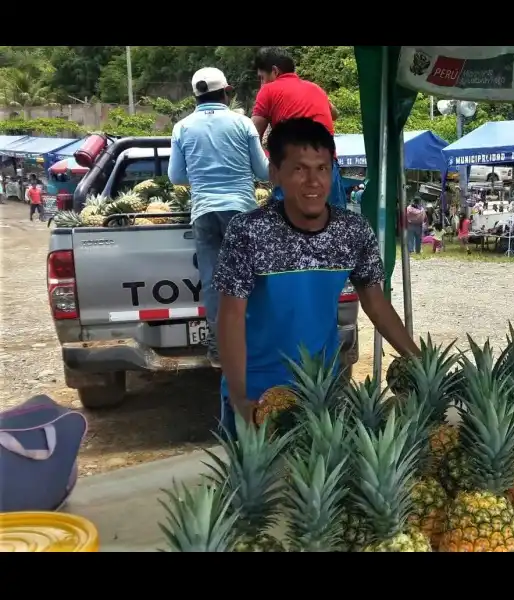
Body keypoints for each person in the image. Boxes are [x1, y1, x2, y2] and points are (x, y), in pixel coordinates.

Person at [213, 117, 418, 432]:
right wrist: (240, 398)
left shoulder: (352, 230)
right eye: (299, 169)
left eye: (322, 168)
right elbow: (230, 317)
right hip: (259, 395)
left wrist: (421, 363)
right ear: (275, 174)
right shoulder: (249, 231)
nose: (313, 181)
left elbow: (375, 303)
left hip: (324, 392)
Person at [168, 67, 269, 368]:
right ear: (227, 91)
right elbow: (264, 172)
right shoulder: (243, 124)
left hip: (204, 213)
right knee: (250, 278)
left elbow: (175, 176)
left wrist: (201, 178)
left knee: (213, 282)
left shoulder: (182, 128)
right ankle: (254, 344)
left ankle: (218, 350)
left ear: (195, 95)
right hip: (241, 210)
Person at [251, 47, 345, 209]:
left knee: (287, 230)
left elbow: (251, 134)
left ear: (274, 71)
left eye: (262, 78)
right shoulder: (315, 89)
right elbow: (334, 113)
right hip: (327, 168)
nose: (261, 84)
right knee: (338, 227)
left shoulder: (268, 90)